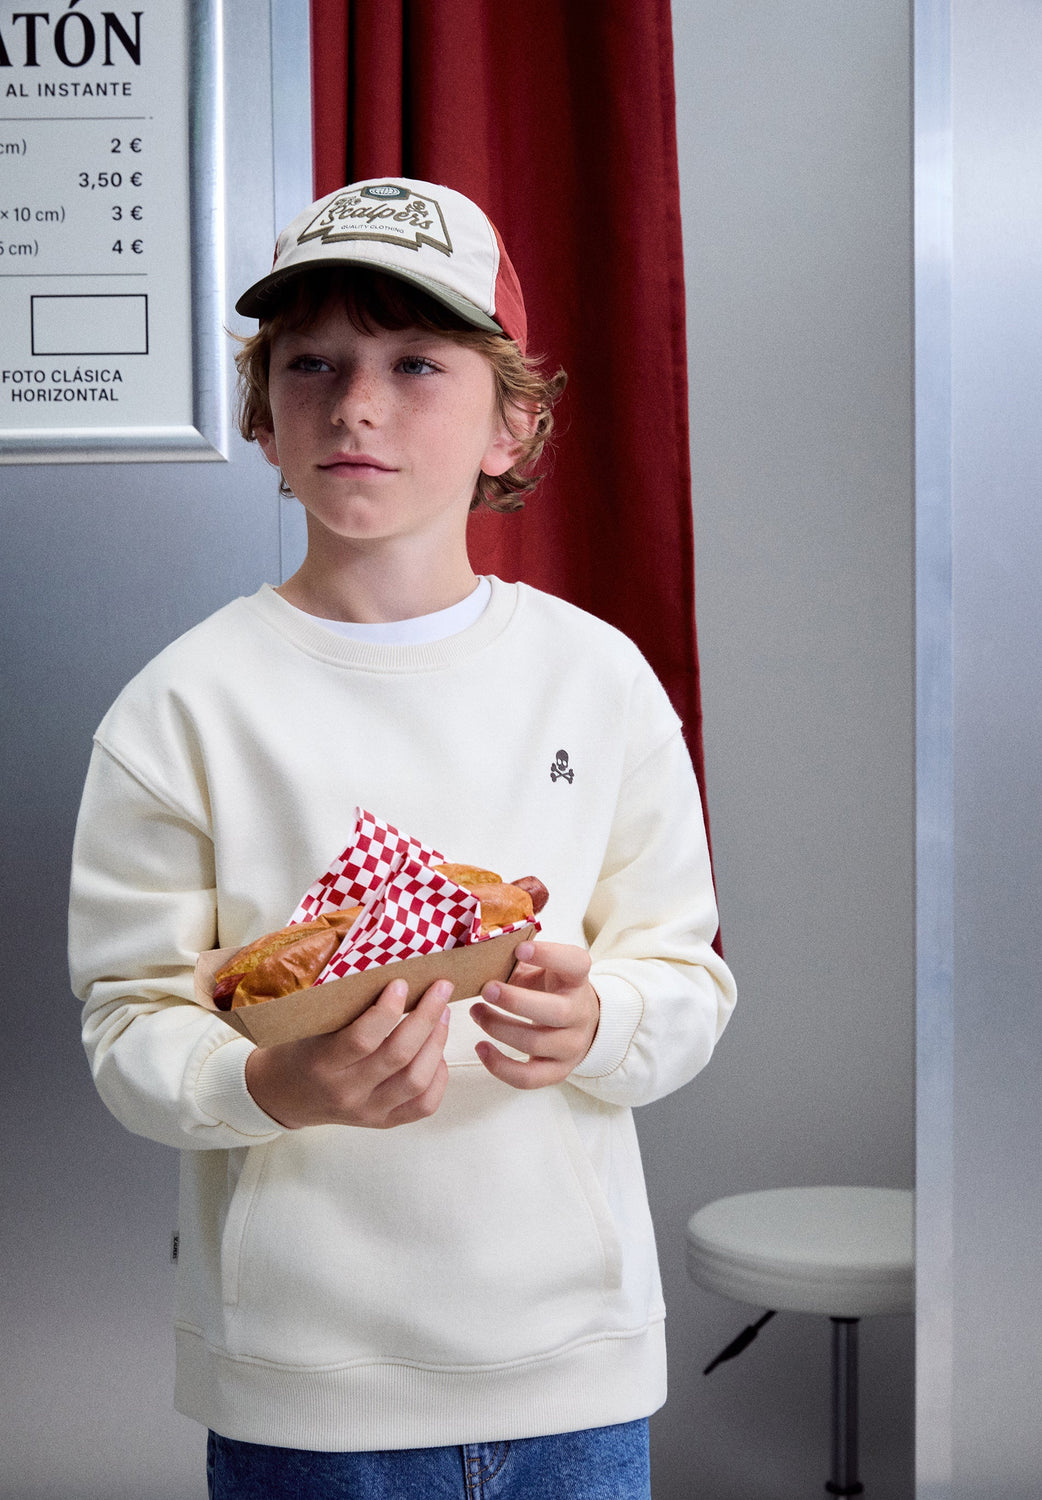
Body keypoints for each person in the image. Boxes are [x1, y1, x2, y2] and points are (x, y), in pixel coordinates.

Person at [69, 178, 736, 1500]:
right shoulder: (180, 707)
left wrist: (599, 1020)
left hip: (576, 1369)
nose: (355, 405)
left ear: (511, 423)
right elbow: (129, 1027)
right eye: (310, 364)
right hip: (301, 1384)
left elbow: (688, 980)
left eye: (417, 363)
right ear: (263, 417)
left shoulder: (597, 680)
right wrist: (275, 1084)